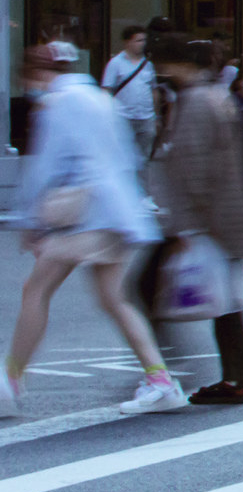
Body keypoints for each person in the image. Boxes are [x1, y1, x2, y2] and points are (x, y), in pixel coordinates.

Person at [7, 43, 184, 415]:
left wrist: (31, 220)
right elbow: (128, 155)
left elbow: (47, 166)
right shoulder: (100, 98)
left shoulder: (57, 104)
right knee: (114, 298)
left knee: (36, 289)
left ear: (37, 74)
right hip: (116, 212)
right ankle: (160, 380)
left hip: (83, 214)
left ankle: (10, 380)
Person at [146, 40, 243, 403]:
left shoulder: (196, 101)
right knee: (226, 298)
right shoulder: (216, 96)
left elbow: (194, 167)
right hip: (223, 216)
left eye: (165, 64)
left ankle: (159, 368)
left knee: (141, 291)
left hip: (204, 220)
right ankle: (234, 378)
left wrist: (187, 227)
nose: (160, 73)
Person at [100, 25, 160, 158]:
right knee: (123, 157)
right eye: (138, 41)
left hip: (146, 117)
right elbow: (106, 90)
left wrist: (156, 116)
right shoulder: (115, 63)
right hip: (124, 117)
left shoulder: (148, 65)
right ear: (127, 42)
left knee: (143, 158)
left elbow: (153, 90)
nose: (142, 44)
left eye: (144, 40)